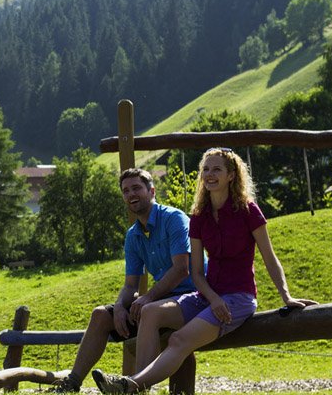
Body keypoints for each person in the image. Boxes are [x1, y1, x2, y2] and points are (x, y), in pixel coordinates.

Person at [92, 148, 317, 394]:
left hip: (239, 298)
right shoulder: (199, 216)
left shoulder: (248, 211)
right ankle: (137, 387)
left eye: (217, 169)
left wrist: (286, 296)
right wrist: (213, 298)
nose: (209, 174)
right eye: (205, 169)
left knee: (179, 339)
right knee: (150, 311)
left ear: (231, 175)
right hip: (206, 296)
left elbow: (270, 258)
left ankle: (132, 385)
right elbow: (196, 273)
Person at [53, 168, 198, 393]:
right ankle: (71, 384)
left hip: (193, 297)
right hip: (163, 298)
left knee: (149, 309)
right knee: (101, 315)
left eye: (137, 188)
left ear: (152, 191)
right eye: (126, 190)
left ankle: (134, 387)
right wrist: (121, 305)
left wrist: (148, 297)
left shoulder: (174, 219)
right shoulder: (133, 235)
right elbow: (131, 284)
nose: (131, 194)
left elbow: (181, 270)